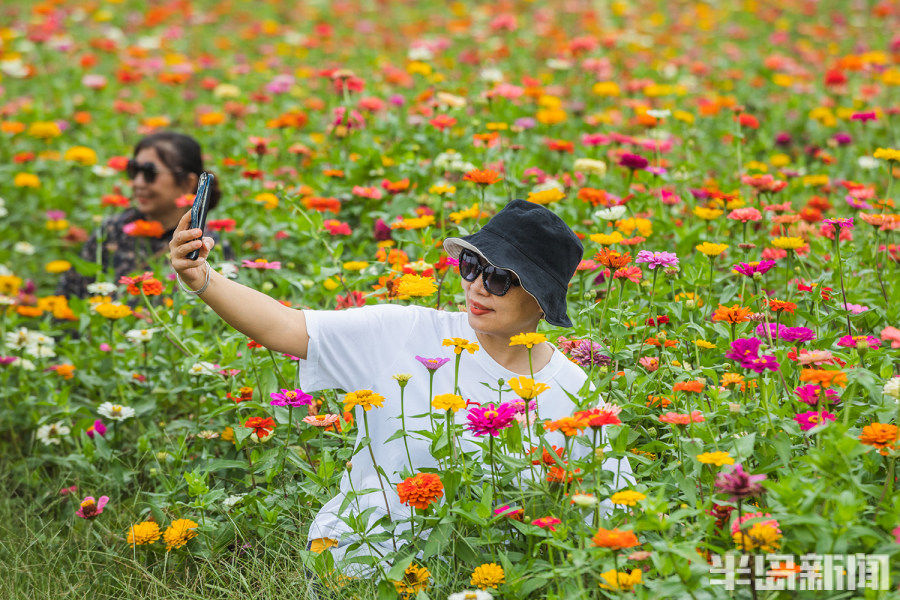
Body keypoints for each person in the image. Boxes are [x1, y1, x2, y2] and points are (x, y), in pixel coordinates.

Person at [168, 199, 632, 576]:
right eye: (471, 265)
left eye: (499, 278)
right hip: (361, 557)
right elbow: (289, 328)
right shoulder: (408, 331)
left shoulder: (574, 393)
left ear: (542, 296)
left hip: (487, 574)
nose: (477, 287)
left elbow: (608, 514)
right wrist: (202, 279)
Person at [57, 131, 233, 299]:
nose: (138, 183)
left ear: (188, 182)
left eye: (150, 173)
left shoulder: (205, 247)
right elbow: (70, 294)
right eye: (134, 171)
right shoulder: (113, 231)